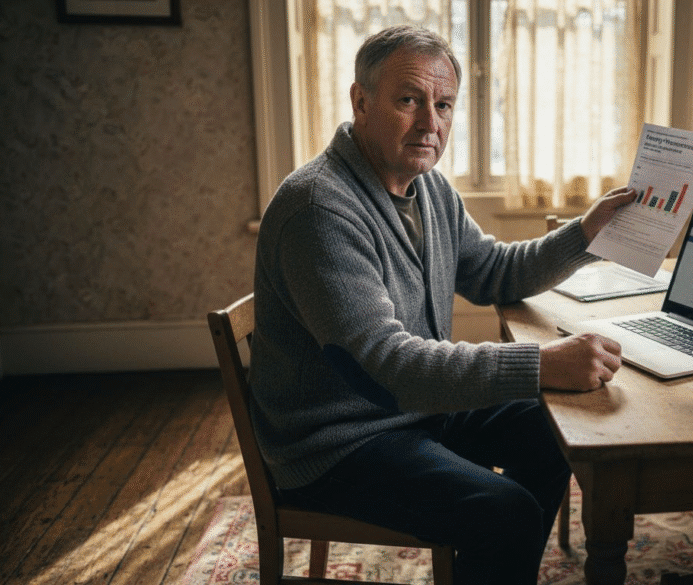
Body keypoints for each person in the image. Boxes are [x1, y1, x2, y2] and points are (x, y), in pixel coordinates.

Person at [251, 24, 635, 585]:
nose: (431, 123)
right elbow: (390, 367)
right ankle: (498, 551)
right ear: (360, 101)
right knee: (505, 511)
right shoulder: (319, 210)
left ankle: (493, 569)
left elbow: (494, 272)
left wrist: (584, 234)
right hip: (337, 444)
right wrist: (541, 364)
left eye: (444, 104)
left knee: (556, 432)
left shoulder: (426, 185)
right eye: (409, 100)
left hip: (410, 410)